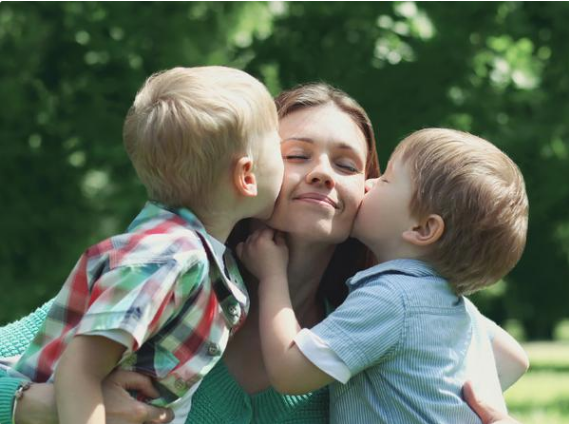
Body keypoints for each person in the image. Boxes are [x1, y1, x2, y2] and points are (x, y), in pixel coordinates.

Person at [0, 83, 523, 424]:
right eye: (296, 155)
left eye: (348, 165)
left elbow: (492, 350)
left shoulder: (371, 320)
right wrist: (38, 407)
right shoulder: (164, 280)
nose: (321, 172)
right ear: (247, 173)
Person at [1, 65, 284, 424]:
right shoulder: (165, 259)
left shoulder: (198, 259)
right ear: (247, 176)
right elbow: (79, 370)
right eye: (282, 148)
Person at [238, 128, 530, 423]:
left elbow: (290, 372)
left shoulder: (391, 299)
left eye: (387, 179)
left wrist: (272, 275)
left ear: (422, 229)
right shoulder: (451, 306)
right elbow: (515, 359)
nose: (369, 183)